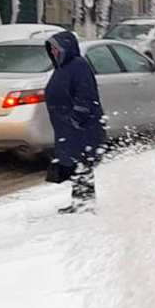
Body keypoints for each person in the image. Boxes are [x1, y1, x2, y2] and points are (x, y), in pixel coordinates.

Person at [44, 31, 106, 213]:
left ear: (66, 49)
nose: (53, 52)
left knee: (81, 163)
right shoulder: (62, 67)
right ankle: (80, 202)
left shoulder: (78, 66)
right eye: (52, 49)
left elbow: (85, 95)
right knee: (74, 163)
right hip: (68, 127)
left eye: (56, 48)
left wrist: (76, 118)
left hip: (82, 126)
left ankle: (84, 205)